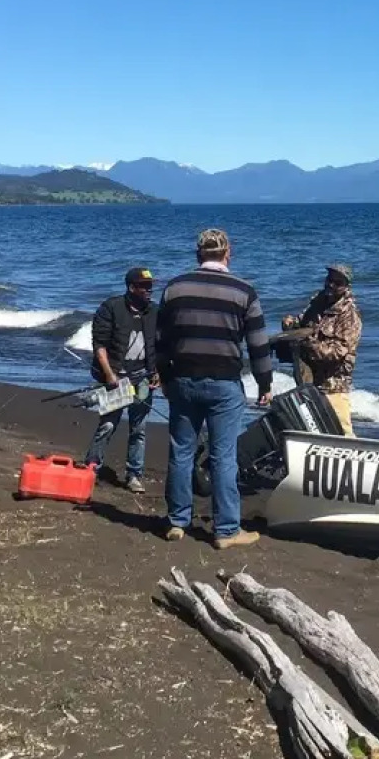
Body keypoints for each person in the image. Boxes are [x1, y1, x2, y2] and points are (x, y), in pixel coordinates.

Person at [156, 228, 272, 548]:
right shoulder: (244, 291)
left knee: (181, 452)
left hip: (182, 380)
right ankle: (226, 530)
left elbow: (161, 341)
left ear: (198, 254)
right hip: (223, 383)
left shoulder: (174, 289)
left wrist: (164, 377)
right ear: (227, 253)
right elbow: (258, 346)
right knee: (224, 456)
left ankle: (178, 521)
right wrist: (265, 383)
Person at [83, 267, 160, 490]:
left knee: (139, 428)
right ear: (131, 287)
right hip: (116, 377)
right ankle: (92, 466)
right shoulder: (111, 308)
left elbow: (160, 345)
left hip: (142, 379)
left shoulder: (154, 312)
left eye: (150, 286)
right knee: (107, 425)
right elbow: (99, 345)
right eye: (144, 286)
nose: (148, 290)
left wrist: (157, 372)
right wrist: (109, 374)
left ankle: (134, 474)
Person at [282, 263, 363, 436]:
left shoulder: (349, 316)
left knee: (343, 433)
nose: (331, 285)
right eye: (329, 280)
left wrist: (309, 343)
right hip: (308, 381)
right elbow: (302, 322)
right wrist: (290, 324)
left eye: (337, 282)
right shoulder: (317, 303)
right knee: (311, 429)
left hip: (334, 385)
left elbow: (338, 352)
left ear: (346, 287)